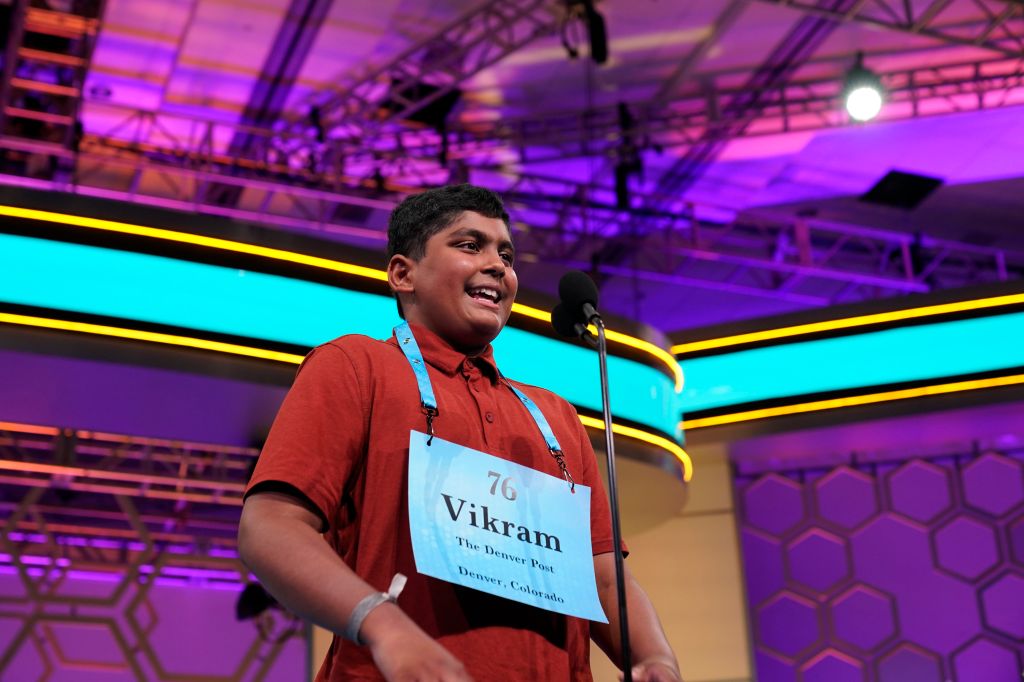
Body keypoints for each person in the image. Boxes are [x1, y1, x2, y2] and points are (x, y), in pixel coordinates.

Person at [238, 184, 681, 681]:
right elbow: (271, 525)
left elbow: (602, 579)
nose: (498, 266)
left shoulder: (556, 417)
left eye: (506, 254)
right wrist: (387, 628)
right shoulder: (355, 367)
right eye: (470, 246)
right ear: (403, 274)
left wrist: (656, 660)